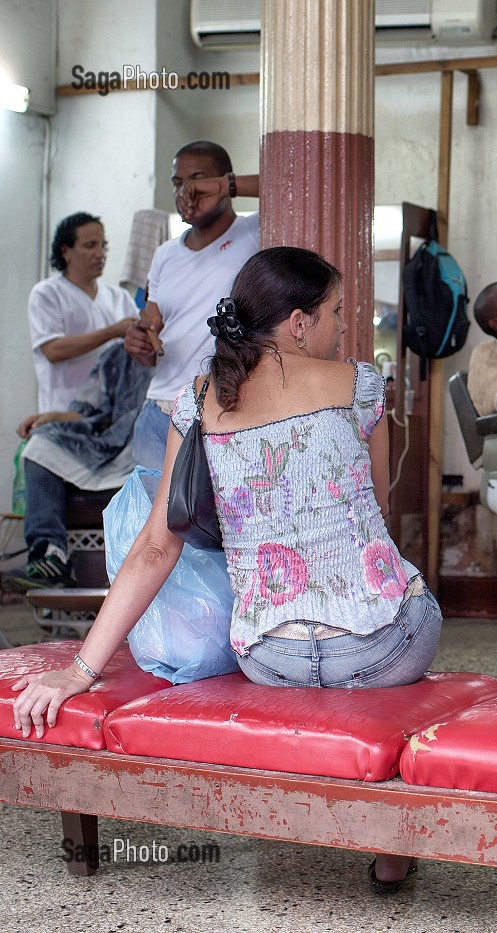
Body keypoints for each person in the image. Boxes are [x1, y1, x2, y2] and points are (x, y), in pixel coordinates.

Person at [11, 247, 434, 891]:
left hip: (270, 657)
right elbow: (377, 506)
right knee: (408, 590)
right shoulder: (360, 383)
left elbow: (157, 545)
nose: (340, 328)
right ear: (298, 321)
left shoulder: (199, 398)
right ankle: (390, 847)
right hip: (381, 650)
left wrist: (79, 670)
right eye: (335, 313)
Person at [127, 140, 260, 471]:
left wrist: (226, 187)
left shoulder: (254, 232)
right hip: (160, 410)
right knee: (151, 521)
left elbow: (290, 184)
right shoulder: (165, 255)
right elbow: (152, 327)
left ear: (224, 181)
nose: (187, 191)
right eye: (178, 183)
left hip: (222, 410)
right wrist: (139, 343)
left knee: (217, 521)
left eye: (198, 180)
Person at [2, 343, 152, 592]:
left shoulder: (189, 354)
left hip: (150, 455)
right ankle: (50, 557)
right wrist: (52, 418)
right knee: (39, 447)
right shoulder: (119, 354)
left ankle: (135, 571)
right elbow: (88, 411)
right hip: (107, 449)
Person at [28, 212, 138, 412]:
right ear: (65, 251)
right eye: (90, 246)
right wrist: (113, 331)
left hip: (112, 413)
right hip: (63, 411)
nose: (100, 253)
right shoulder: (47, 293)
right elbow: (53, 350)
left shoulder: (119, 297)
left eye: (103, 245)